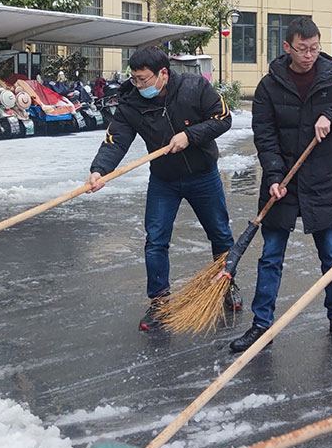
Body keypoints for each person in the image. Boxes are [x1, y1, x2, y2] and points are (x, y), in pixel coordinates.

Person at [229, 16, 332, 352]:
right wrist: (274, 176)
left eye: (315, 48)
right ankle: (262, 325)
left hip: (323, 181)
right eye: (303, 49)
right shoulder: (269, 86)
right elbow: (265, 135)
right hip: (283, 182)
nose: (309, 55)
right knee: (271, 255)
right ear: (287, 47)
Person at [87, 46, 239, 331]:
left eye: (144, 79)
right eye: (134, 78)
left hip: (202, 175)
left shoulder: (195, 87)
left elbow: (223, 119)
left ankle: (227, 285)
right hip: (164, 179)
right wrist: (99, 171)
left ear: (163, 74)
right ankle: (159, 301)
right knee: (155, 240)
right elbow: (116, 139)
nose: (138, 85)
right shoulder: (131, 102)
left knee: (220, 233)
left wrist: (189, 136)